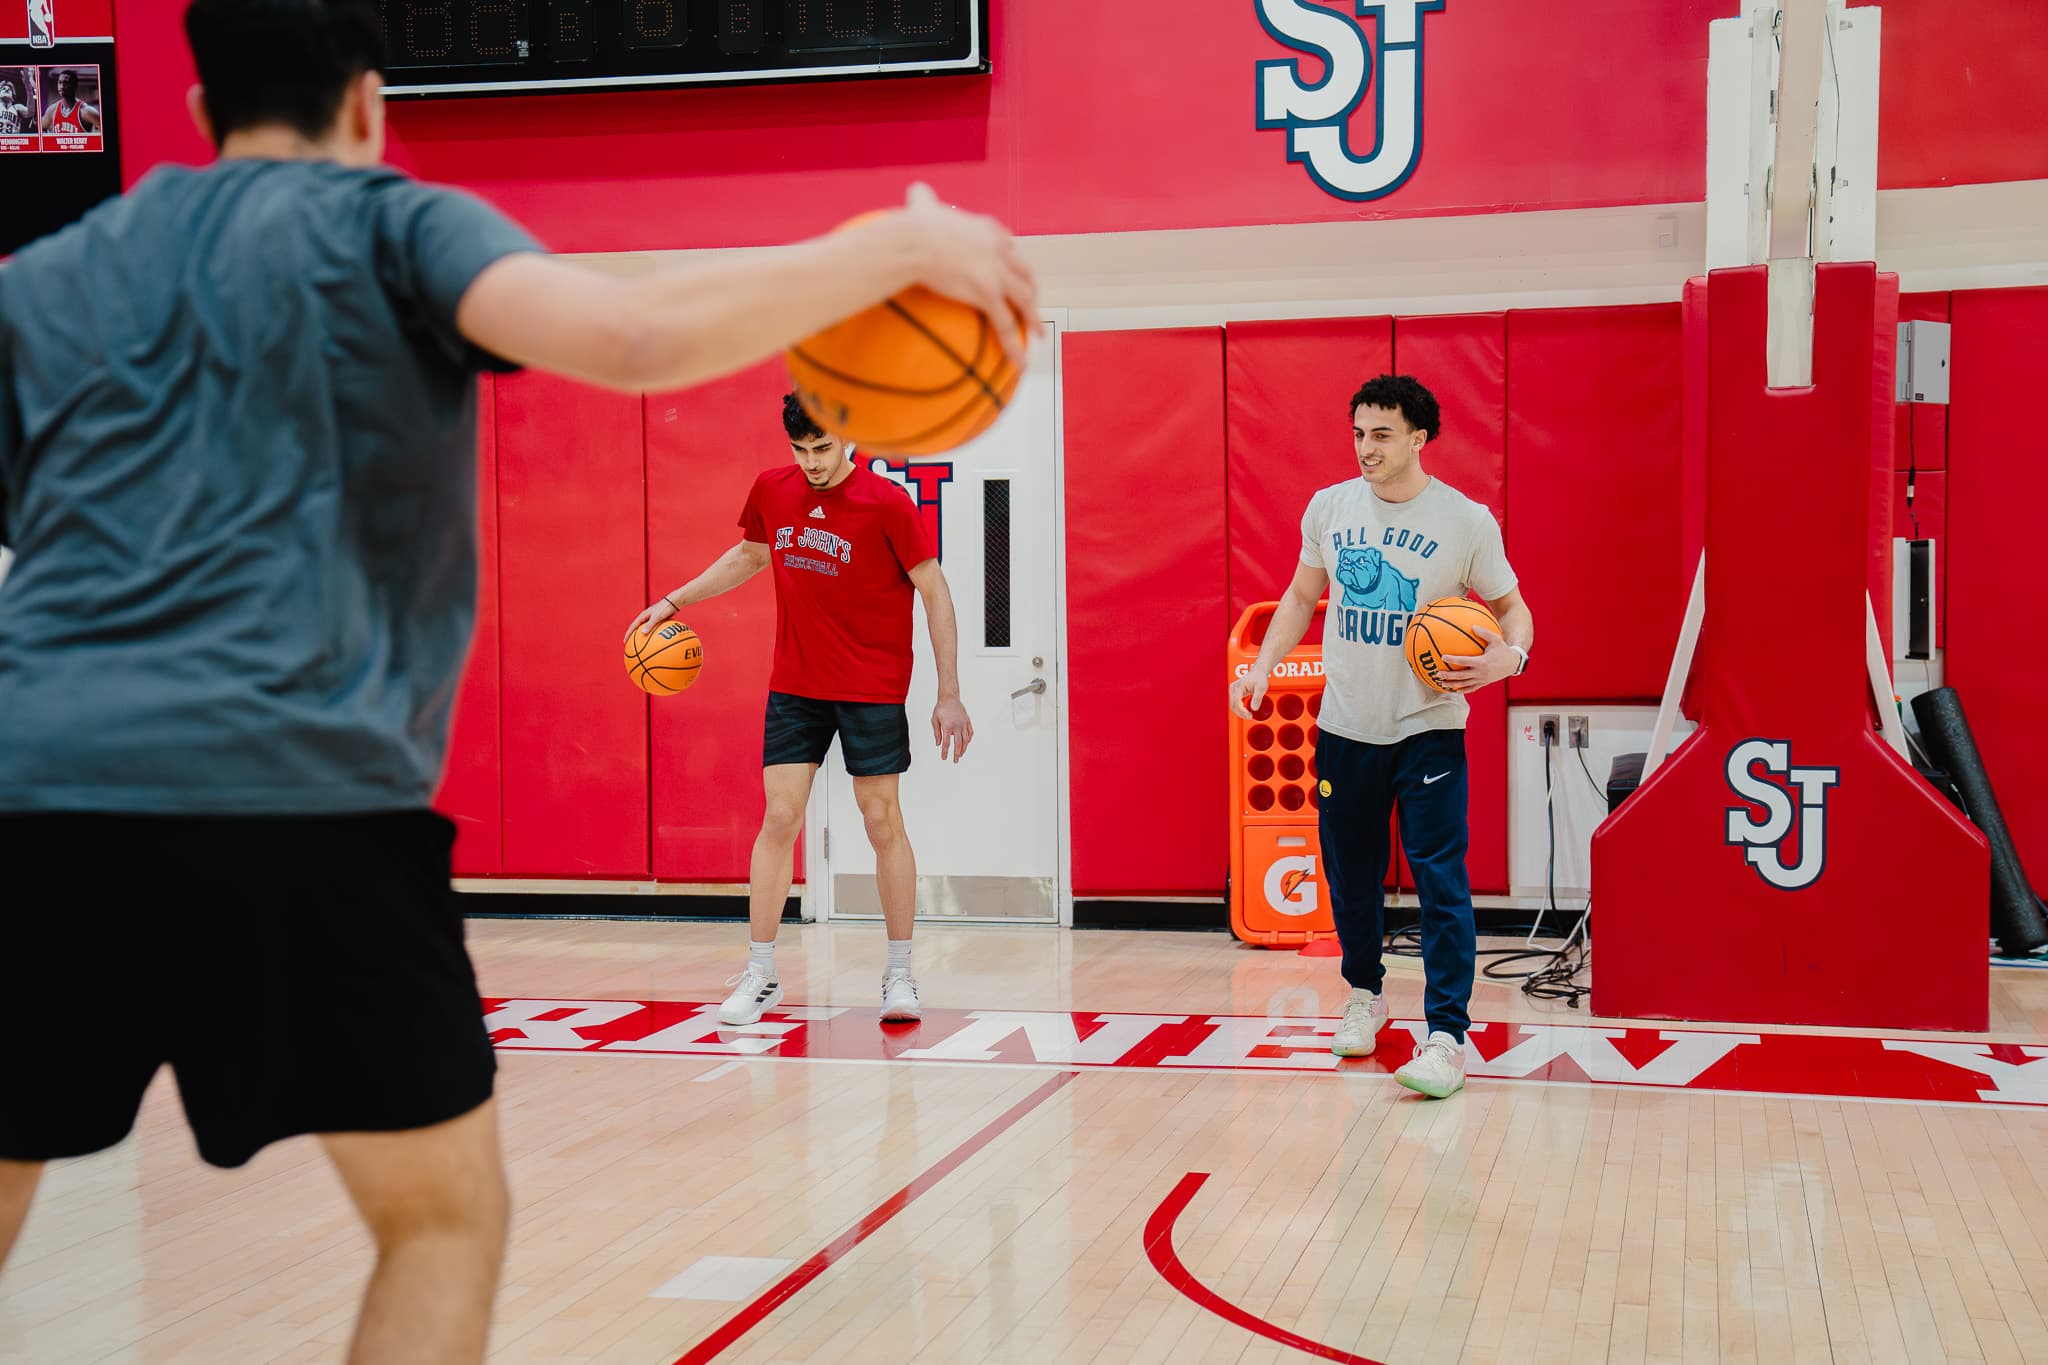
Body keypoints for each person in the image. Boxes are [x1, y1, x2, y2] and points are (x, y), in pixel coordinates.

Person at [0, 1, 1036, 1360]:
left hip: (37, 797)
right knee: (439, 1221)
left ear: (198, 116)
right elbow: (635, 335)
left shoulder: (49, 271)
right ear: (371, 104)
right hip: (299, 795)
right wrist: (892, 246)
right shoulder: (393, 222)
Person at [1229, 374, 1534, 1100]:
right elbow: (1304, 595)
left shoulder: (1464, 521)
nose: (1366, 447)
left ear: (1419, 437)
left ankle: (1448, 1036)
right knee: (1351, 880)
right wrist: (1262, 669)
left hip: (1428, 729)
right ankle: (1365, 992)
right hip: (1346, 729)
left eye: (1382, 434)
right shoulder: (1329, 509)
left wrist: (1507, 658)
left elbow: (1513, 608)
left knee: (1440, 882)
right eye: (1359, 432)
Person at [627, 394, 971, 1029]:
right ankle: (760, 972)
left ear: (847, 438)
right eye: (801, 450)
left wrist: (949, 691)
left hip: (871, 686)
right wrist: (676, 600)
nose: (812, 463)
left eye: (823, 448)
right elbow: (750, 556)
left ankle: (899, 972)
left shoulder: (889, 504)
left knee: (880, 821)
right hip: (797, 684)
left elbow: (935, 591)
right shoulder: (772, 490)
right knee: (780, 815)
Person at [38, 69, 99, 134]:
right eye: (60, 82)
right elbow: (41, 127)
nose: (62, 86)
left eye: (66, 82)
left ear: (75, 86)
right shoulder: (53, 110)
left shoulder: (86, 111)